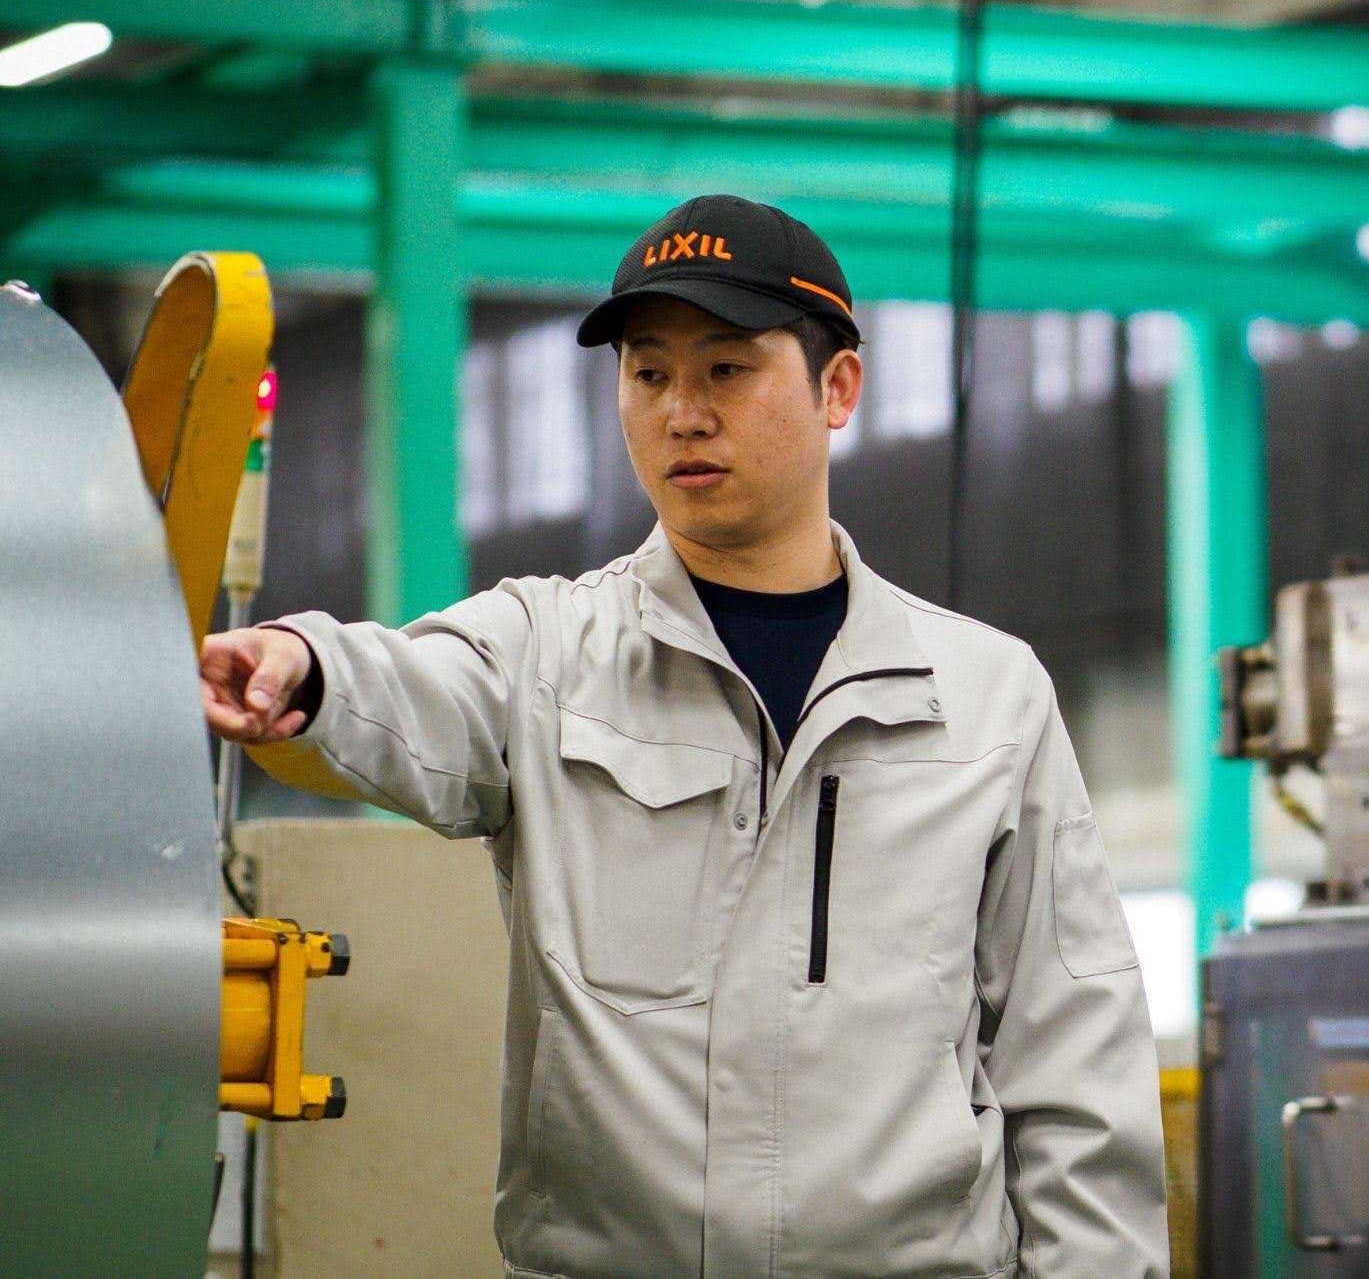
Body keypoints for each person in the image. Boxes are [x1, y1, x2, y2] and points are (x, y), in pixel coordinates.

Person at [202, 194, 1170, 1278]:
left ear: (839, 387)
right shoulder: (549, 654)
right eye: (649, 374)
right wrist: (302, 667)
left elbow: (1071, 1048)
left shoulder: (984, 700)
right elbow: (415, 685)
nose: (682, 413)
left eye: (726, 369)